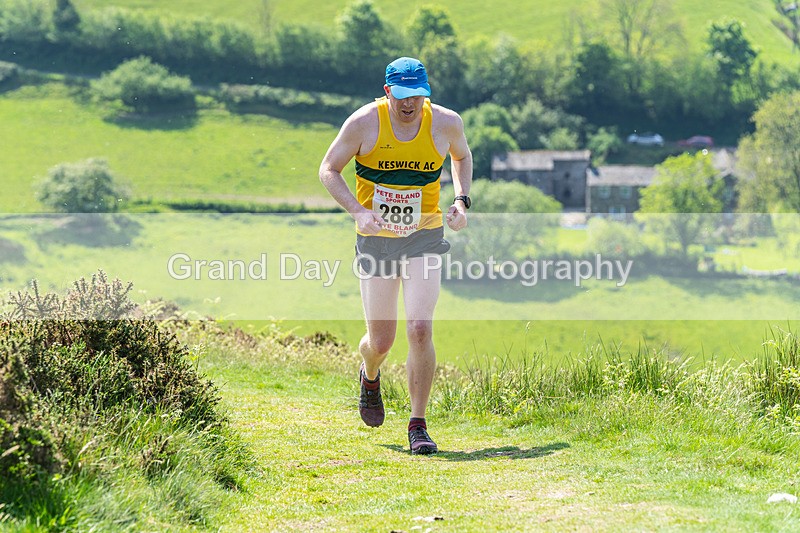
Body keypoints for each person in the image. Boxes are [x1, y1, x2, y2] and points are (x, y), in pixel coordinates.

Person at [319, 57, 473, 455]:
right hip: (377, 241)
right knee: (381, 341)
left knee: (420, 328)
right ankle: (370, 374)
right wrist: (358, 211)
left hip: (424, 236)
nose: (409, 104)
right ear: (388, 92)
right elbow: (328, 169)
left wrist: (461, 200)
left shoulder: (446, 123)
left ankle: (418, 424)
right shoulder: (364, 123)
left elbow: (462, 156)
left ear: (426, 93)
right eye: (402, 95)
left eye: (417, 95)